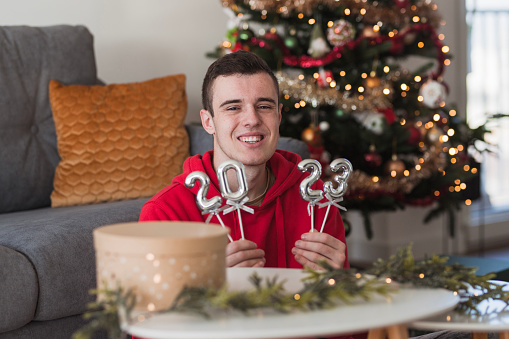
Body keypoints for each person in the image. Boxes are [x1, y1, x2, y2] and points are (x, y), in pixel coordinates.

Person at [139, 50, 348, 270]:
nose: (251, 119)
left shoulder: (316, 200)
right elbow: (149, 301)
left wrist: (336, 280)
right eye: (233, 107)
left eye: (264, 106)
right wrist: (208, 286)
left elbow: (345, 298)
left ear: (278, 117)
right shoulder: (165, 213)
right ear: (208, 122)